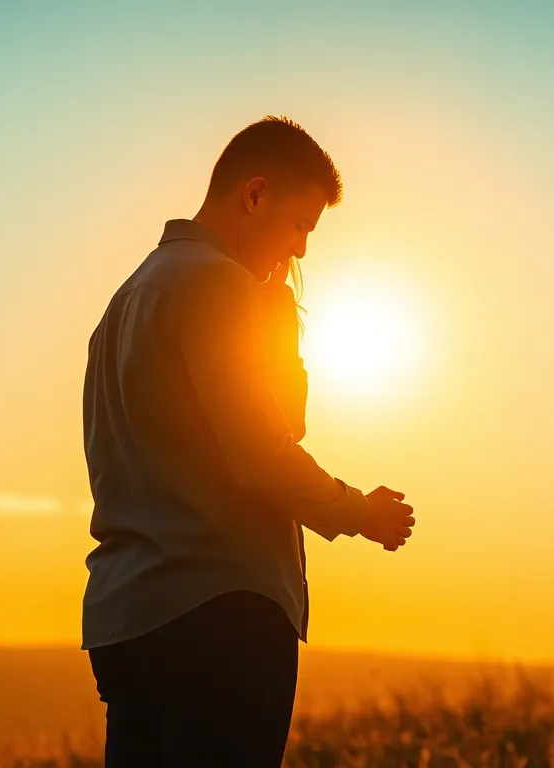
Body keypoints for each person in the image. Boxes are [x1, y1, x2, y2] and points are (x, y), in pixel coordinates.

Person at [80, 115, 417, 767]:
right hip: (221, 613)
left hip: (127, 619)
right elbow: (264, 452)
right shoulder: (217, 285)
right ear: (254, 194)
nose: (300, 250)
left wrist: (277, 336)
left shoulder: (124, 302)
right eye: (300, 224)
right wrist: (358, 512)